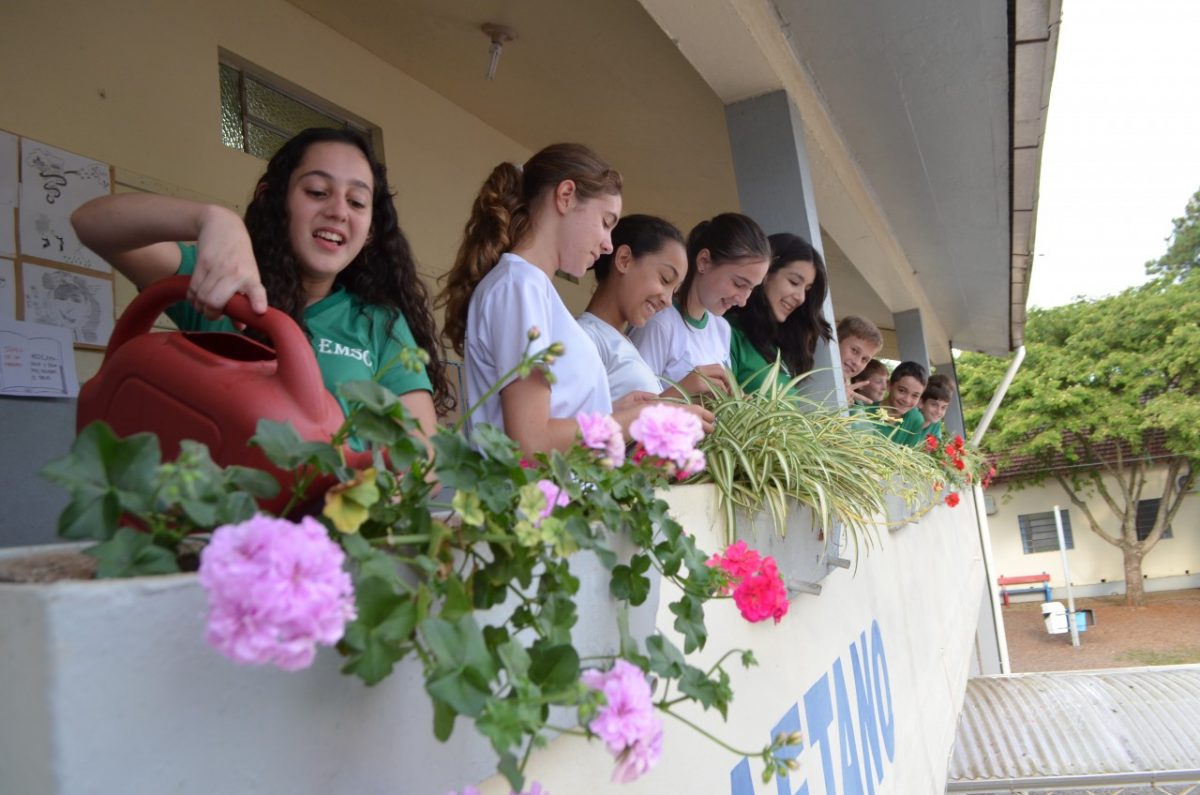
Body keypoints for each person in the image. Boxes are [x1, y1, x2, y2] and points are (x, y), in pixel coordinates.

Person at [71, 127, 450, 439]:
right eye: (317, 192)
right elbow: (90, 223)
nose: (337, 211)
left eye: (357, 202)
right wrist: (212, 219)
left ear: (369, 232)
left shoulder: (377, 323)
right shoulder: (221, 286)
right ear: (274, 200)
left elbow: (424, 459)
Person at [438, 143, 676, 456]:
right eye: (606, 222)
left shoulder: (531, 289)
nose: (607, 245)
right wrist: (635, 420)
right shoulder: (520, 287)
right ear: (565, 196)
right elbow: (531, 441)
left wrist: (615, 409)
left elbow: (550, 419)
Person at [629, 213, 770, 395]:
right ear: (704, 261)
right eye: (739, 284)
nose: (742, 301)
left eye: (751, 288)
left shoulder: (721, 329)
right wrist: (685, 391)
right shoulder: (659, 323)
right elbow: (632, 409)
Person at [577, 214, 704, 402]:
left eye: (675, 290)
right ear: (624, 259)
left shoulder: (625, 345)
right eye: (665, 279)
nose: (668, 300)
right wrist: (679, 393)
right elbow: (579, 425)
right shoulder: (584, 337)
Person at [725, 232, 832, 394]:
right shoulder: (726, 332)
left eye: (807, 290)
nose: (801, 298)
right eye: (794, 282)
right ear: (766, 273)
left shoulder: (777, 347)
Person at [874, 360, 928, 446]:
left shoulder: (915, 419)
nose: (907, 400)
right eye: (902, 391)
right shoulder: (865, 413)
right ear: (889, 385)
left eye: (915, 396)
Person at [836, 316, 884, 404]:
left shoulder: (854, 404)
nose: (857, 362)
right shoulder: (806, 370)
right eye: (854, 350)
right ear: (836, 340)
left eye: (864, 359)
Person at [918, 373, 955, 441]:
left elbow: (936, 447)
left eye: (943, 407)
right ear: (921, 403)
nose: (938, 412)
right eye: (934, 405)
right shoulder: (909, 419)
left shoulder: (935, 425)